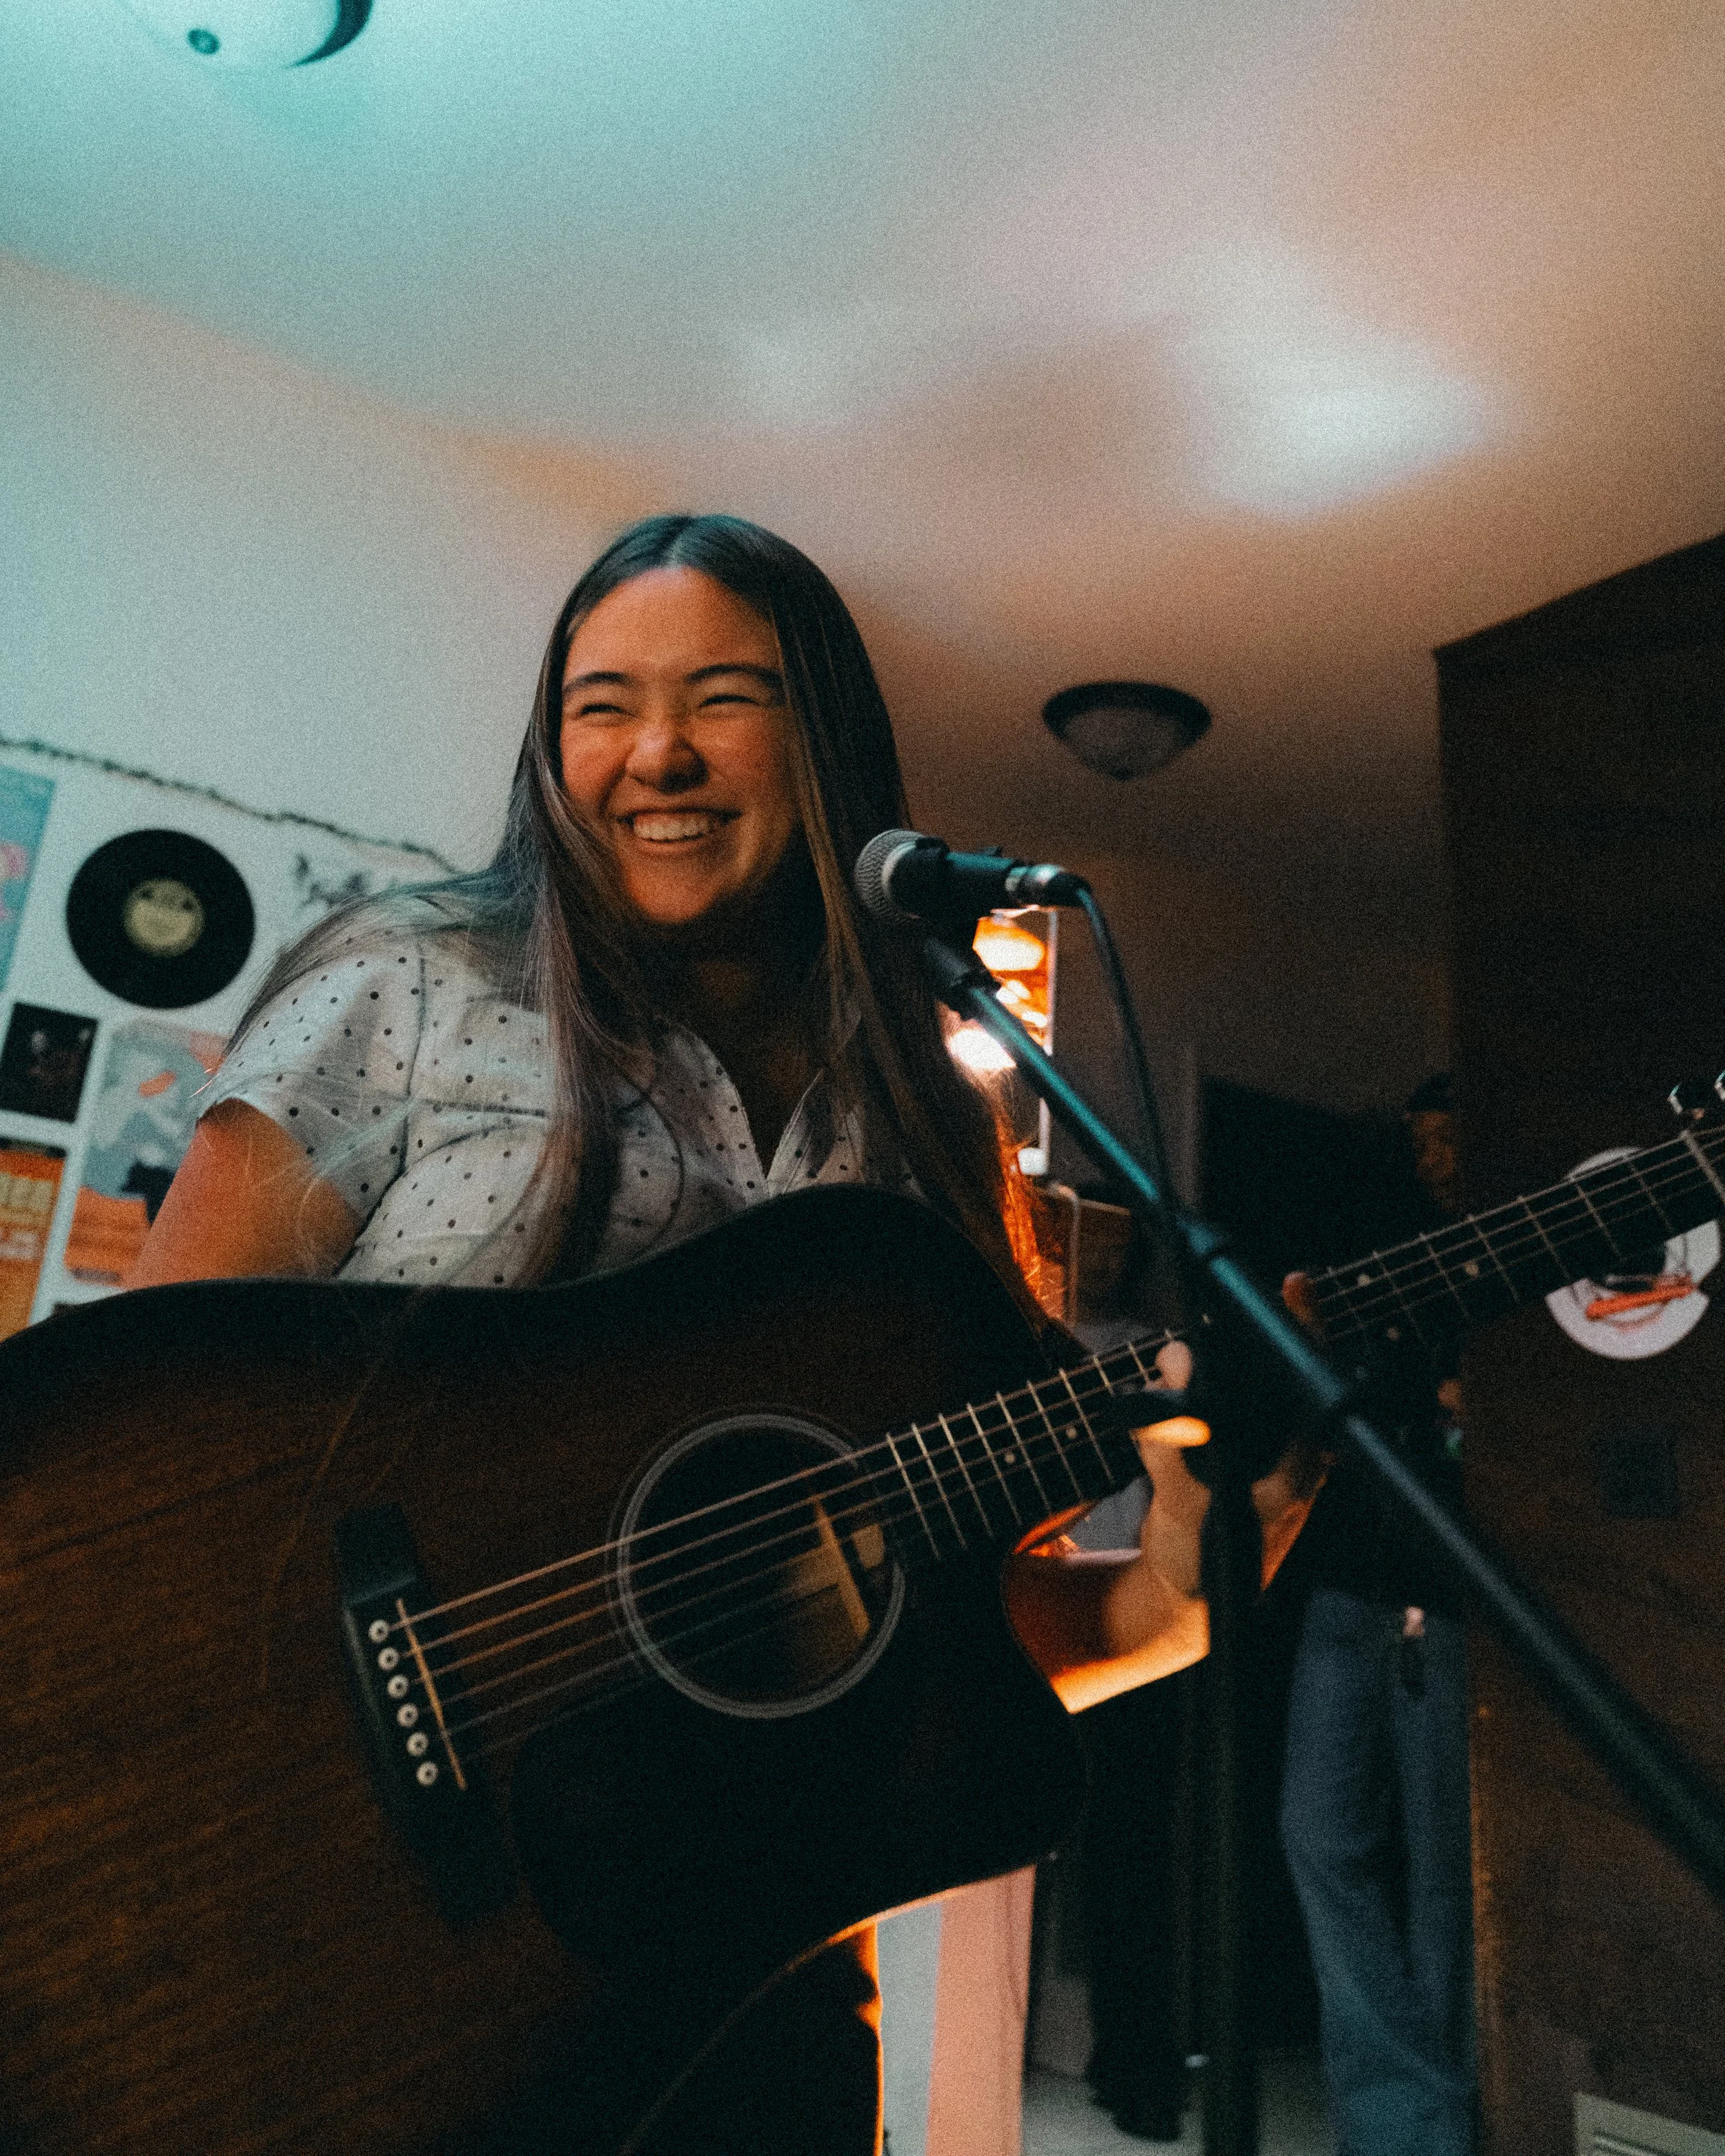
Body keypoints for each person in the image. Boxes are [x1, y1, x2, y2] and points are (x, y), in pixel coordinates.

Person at [134, 513, 1310, 2156]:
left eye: (724, 695)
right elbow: (137, 1475)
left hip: (759, 2008)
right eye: (601, 702)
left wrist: (1194, 1565)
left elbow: (960, 1647)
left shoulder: (930, 1128)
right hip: (355, 1964)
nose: (655, 752)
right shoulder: (406, 981)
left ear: (823, 737)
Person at [1279, 1074, 1476, 2156]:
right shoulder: (1383, 1249)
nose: (1431, 1159)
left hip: (1448, 1590)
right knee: (1317, 1833)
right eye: (1422, 1141)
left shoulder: (1513, 1263)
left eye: (1449, 1141)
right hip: (1347, 1574)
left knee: (1448, 1865)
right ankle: (1392, 2110)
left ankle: (1440, 2118)